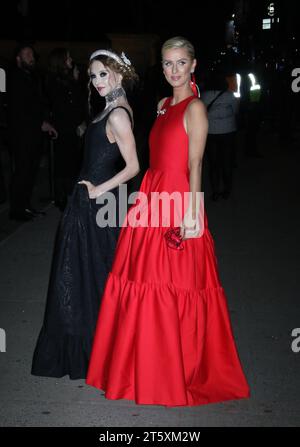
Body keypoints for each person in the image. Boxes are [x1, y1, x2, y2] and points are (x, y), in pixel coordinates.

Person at [86, 37, 250, 406]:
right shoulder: (161, 106)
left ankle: (174, 372)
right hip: (150, 196)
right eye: (167, 64)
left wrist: (192, 211)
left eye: (180, 63)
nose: (173, 70)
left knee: (174, 284)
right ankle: (137, 368)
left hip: (177, 200)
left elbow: (195, 164)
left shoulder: (196, 109)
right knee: (141, 282)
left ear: (193, 65)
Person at [31, 49, 140, 379]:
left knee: (88, 276)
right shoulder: (108, 108)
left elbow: (133, 166)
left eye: (103, 74)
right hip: (87, 204)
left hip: (97, 205)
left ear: (118, 73)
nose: (96, 81)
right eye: (93, 76)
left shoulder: (118, 113)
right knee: (83, 276)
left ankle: (101, 353)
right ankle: (96, 352)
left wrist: (98, 189)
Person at [7, 43, 57, 222]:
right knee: (22, 173)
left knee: (29, 173)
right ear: (18, 59)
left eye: (31, 54)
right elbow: (20, 109)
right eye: (26, 54)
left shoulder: (30, 77)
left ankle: (25, 206)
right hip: (22, 136)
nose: (31, 57)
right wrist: (40, 123)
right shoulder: (16, 78)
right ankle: (17, 210)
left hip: (32, 135)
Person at [46, 48, 86, 211]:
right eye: (68, 58)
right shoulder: (54, 81)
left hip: (72, 127)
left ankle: (69, 194)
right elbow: (62, 107)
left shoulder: (69, 80)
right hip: (64, 128)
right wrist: (76, 124)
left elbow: (78, 102)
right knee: (64, 164)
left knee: (71, 162)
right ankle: (62, 197)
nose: (71, 60)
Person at [201, 71, 239, 201]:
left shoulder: (204, 96)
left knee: (213, 163)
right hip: (228, 131)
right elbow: (235, 111)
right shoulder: (230, 96)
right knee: (226, 161)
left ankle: (215, 191)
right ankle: (227, 190)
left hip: (210, 132)